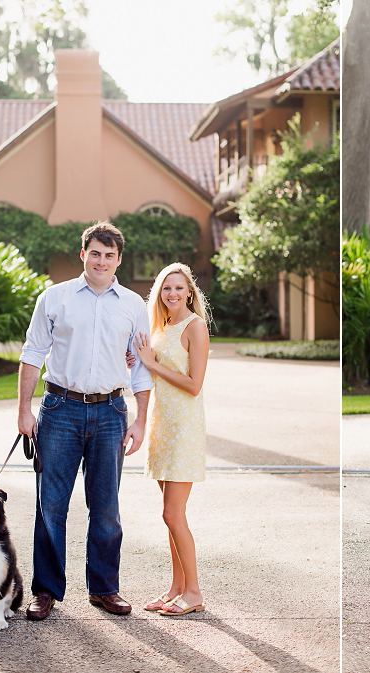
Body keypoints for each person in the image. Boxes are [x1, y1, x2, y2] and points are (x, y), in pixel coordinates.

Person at [17, 221, 153, 620]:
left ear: (119, 260)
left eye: (110, 255)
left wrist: (141, 419)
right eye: (96, 253)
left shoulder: (132, 305)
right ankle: (45, 591)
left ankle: (104, 588)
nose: (102, 261)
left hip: (111, 413)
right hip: (60, 410)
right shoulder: (55, 298)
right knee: (50, 506)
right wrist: (24, 410)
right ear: (83, 254)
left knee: (107, 508)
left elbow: (141, 368)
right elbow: (32, 353)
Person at [131, 262, 211, 617]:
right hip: (163, 427)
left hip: (184, 429)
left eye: (179, 288)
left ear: (190, 292)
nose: (173, 294)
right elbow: (148, 364)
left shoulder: (196, 326)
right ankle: (176, 588)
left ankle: (194, 592)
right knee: (169, 517)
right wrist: (139, 360)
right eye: (166, 288)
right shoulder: (160, 327)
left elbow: (194, 384)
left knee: (173, 514)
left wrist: (153, 364)